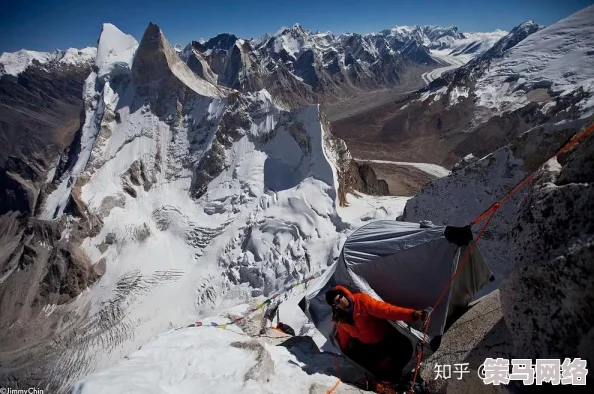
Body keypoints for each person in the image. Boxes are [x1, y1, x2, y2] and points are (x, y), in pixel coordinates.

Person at [326, 285, 429, 382]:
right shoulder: (340, 320)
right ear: (335, 306)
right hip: (370, 346)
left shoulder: (362, 301)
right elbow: (343, 335)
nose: (342, 300)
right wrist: (344, 349)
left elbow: (386, 310)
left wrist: (412, 314)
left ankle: (403, 377)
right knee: (376, 368)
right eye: (338, 301)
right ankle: (388, 380)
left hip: (387, 337)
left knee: (398, 360)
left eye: (341, 296)